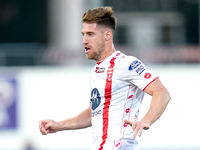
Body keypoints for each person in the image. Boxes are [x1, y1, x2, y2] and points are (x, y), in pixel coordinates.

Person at [39, 6, 171, 150]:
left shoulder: (125, 63)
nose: (84, 40)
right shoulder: (96, 71)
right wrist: (59, 125)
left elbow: (162, 92)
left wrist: (146, 120)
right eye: (83, 34)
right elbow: (94, 113)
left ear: (107, 35)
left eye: (90, 34)